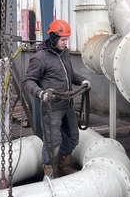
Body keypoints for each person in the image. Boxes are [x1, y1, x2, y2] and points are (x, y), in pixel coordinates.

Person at [22, 19, 91, 179]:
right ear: (53, 38)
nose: (65, 43)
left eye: (66, 40)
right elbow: (27, 81)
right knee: (53, 141)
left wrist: (82, 81)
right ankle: (50, 173)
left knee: (73, 137)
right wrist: (40, 93)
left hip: (67, 104)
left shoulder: (64, 54)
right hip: (52, 108)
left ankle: (64, 166)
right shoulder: (40, 58)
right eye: (63, 40)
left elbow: (70, 74)